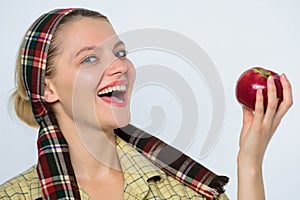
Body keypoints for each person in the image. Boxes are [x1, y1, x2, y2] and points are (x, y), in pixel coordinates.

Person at [0, 8, 293, 200]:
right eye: (89, 58)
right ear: (48, 88)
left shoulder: (181, 186)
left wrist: (250, 162)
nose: (119, 67)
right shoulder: (14, 196)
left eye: (120, 53)